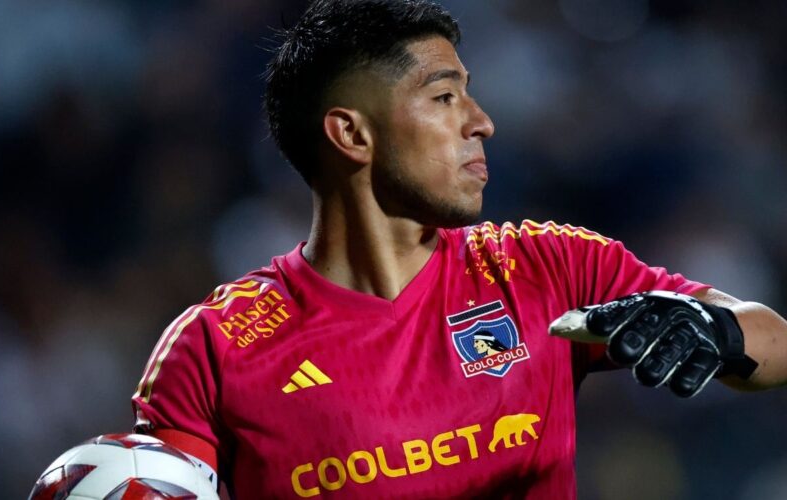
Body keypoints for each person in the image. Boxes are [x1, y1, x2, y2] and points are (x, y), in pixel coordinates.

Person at [131, 0, 787, 498]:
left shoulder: (547, 267)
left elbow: (776, 343)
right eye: (444, 97)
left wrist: (714, 329)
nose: (481, 121)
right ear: (351, 134)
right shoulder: (219, 348)